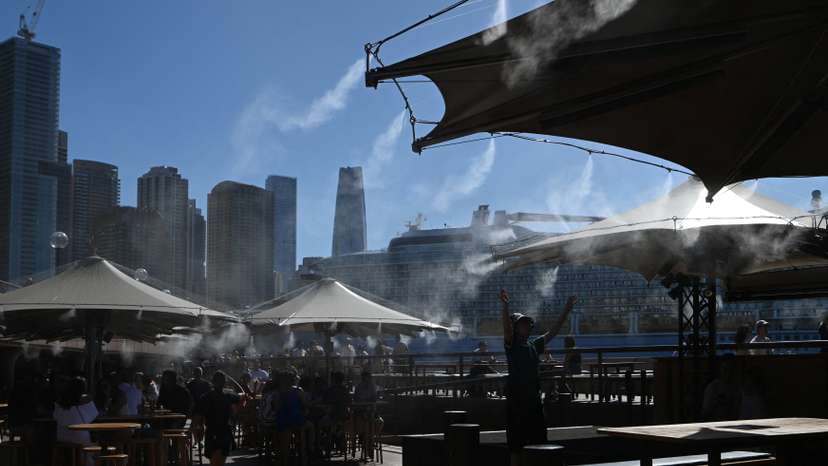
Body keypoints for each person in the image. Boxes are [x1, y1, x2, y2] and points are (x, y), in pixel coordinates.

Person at [500, 289, 576, 466]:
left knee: (540, 439)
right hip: (516, 399)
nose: (526, 325)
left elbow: (553, 332)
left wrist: (566, 310)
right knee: (516, 445)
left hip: (534, 398)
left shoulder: (534, 344)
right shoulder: (511, 345)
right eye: (521, 323)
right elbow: (505, 328)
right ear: (515, 327)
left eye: (527, 323)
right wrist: (505, 306)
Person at [192, 371, 245, 466]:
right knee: (217, 460)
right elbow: (198, 416)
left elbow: (197, 417)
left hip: (220, 431)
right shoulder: (212, 397)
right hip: (218, 431)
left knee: (217, 460)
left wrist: (195, 428)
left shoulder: (226, 395)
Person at [53, 377, 99, 449]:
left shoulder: (60, 402)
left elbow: (55, 417)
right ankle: (86, 459)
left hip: (62, 437)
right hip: (79, 438)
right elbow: (93, 416)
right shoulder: (87, 401)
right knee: (93, 438)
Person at [702, 355, 739, 421]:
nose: (728, 373)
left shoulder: (736, 387)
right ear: (720, 370)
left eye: (731, 369)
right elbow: (706, 410)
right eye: (725, 369)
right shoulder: (713, 387)